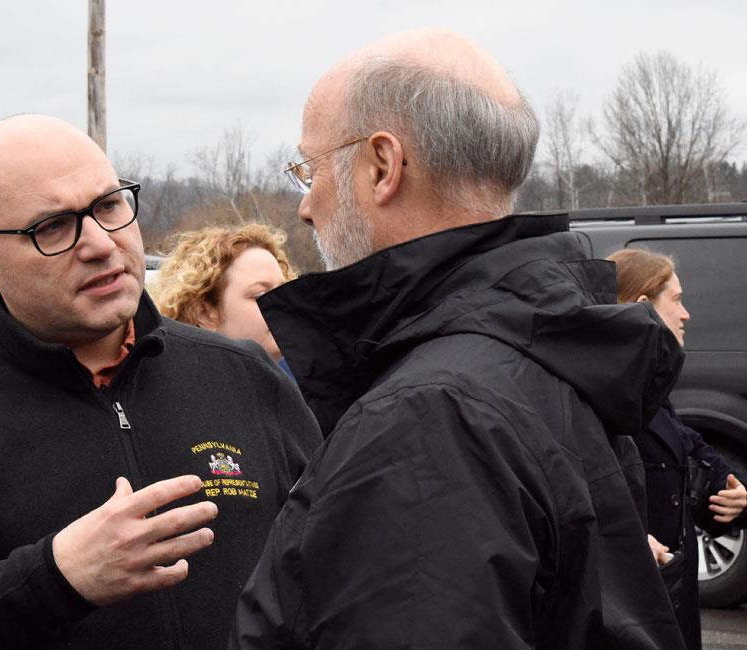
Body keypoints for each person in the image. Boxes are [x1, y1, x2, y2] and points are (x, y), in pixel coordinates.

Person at [231, 30, 686, 648]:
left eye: (307, 170)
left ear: (383, 166)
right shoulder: (548, 350)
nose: (307, 205)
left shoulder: (431, 413)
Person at [0, 114, 322, 649]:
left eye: (108, 206)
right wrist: (55, 579)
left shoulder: (245, 377)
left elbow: (335, 566)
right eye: (52, 226)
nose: (100, 244)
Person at [609, 247, 745, 650]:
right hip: (632, 603)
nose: (686, 315)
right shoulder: (604, 390)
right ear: (643, 307)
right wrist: (624, 534)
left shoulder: (650, 382)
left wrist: (729, 487)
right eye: (678, 301)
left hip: (668, 592)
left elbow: (686, 443)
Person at [151, 223, 297, 368]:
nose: (284, 303)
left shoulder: (304, 378)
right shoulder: (182, 386)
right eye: (261, 295)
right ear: (204, 314)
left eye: (285, 290)